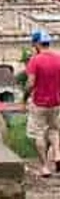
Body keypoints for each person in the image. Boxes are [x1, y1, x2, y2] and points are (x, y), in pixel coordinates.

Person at [27, 29, 60, 178]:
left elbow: (31, 83)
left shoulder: (35, 60)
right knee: (54, 130)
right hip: (56, 102)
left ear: (36, 44)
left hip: (39, 103)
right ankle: (58, 155)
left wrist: (25, 96)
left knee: (39, 133)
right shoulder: (58, 58)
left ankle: (45, 167)